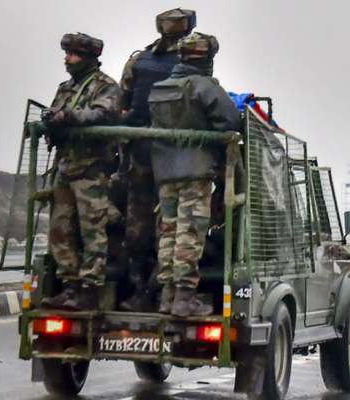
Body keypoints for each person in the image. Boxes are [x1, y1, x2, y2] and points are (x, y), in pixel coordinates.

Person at [148, 32, 241, 317]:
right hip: (196, 171)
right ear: (208, 59)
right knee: (189, 232)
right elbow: (230, 120)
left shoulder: (160, 89)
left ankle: (167, 295)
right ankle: (185, 297)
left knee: (169, 232)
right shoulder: (204, 87)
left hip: (164, 173)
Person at [117, 8, 201, 311]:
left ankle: (140, 290)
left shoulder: (138, 61)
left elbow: (122, 102)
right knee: (170, 226)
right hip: (173, 159)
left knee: (139, 226)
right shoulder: (192, 62)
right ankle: (158, 291)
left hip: (140, 154)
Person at [41, 33, 122, 310]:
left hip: (92, 170)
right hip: (65, 166)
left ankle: (90, 288)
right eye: (67, 54)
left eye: (74, 55)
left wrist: (70, 117)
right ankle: (70, 286)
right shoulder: (66, 87)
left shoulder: (106, 86)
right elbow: (55, 113)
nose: (68, 59)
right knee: (60, 230)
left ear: (88, 58)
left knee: (92, 231)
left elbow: (102, 115)